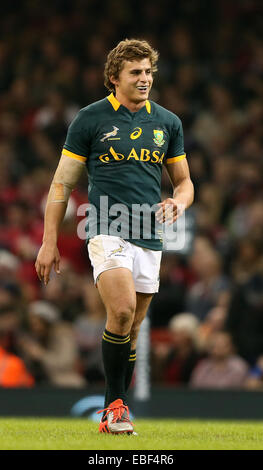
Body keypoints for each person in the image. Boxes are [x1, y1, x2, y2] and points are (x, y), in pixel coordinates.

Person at [35, 39, 194, 434]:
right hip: (105, 227)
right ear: (114, 79)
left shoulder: (167, 123)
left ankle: (114, 412)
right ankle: (115, 408)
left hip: (150, 234)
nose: (145, 79)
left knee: (132, 328)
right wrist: (49, 240)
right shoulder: (89, 120)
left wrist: (179, 202)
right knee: (121, 311)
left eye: (148, 72)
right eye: (135, 73)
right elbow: (61, 184)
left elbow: (186, 182)